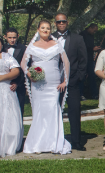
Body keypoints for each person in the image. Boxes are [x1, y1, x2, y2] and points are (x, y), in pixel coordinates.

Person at [22, 21, 72, 155]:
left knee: (52, 110)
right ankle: (37, 143)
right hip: (38, 84)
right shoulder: (32, 46)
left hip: (53, 84)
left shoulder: (57, 45)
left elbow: (66, 62)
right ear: (38, 29)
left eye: (48, 28)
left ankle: (53, 142)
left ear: (51, 30)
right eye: (43, 28)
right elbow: (23, 63)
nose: (45, 30)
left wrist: (64, 81)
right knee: (39, 111)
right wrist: (29, 74)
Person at [52, 13, 88, 151]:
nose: (61, 23)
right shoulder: (49, 38)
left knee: (74, 111)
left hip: (72, 82)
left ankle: (76, 141)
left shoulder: (77, 39)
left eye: (64, 21)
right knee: (54, 112)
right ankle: (55, 139)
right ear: (55, 23)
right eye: (59, 22)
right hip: (53, 83)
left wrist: (77, 77)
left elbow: (83, 60)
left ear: (67, 22)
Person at [3, 27, 27, 115]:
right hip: (3, 83)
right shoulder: (1, 48)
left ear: (18, 36)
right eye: (9, 38)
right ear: (5, 37)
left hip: (19, 84)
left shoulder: (23, 48)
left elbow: (24, 68)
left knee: (19, 110)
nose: (12, 40)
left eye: (14, 37)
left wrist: (17, 83)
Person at [80, 23, 102, 100]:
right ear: (90, 28)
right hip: (82, 59)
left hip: (90, 59)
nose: (94, 33)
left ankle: (94, 94)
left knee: (92, 76)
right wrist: (92, 49)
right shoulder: (82, 35)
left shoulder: (91, 36)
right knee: (82, 77)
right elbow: (82, 47)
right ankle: (81, 94)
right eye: (94, 31)